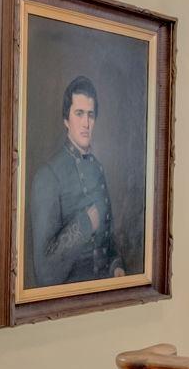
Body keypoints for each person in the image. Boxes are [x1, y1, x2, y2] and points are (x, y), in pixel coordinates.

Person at [27, 75, 126, 286]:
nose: (86, 123)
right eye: (79, 113)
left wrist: (116, 264)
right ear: (66, 120)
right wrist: (85, 224)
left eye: (91, 115)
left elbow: (107, 238)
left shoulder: (98, 168)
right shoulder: (48, 176)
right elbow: (44, 271)